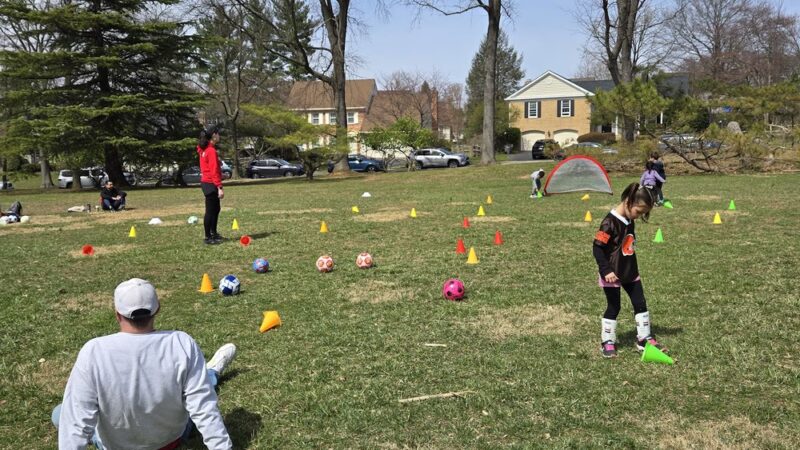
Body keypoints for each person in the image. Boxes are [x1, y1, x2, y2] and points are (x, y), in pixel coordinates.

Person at [52, 278, 236, 449]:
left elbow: (76, 422)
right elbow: (204, 408)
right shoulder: (181, 343)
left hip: (117, 445)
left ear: (117, 314)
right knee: (197, 388)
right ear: (157, 309)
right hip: (170, 440)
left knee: (60, 414)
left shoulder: (93, 351)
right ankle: (211, 371)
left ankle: (210, 371)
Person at [592, 183, 666, 358]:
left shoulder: (629, 219)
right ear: (628, 201)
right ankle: (608, 341)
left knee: (640, 303)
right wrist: (606, 270)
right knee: (614, 307)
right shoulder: (608, 223)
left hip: (630, 272)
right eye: (639, 211)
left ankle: (644, 339)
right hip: (612, 274)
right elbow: (597, 248)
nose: (639, 216)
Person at [198, 125, 224, 244]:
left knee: (216, 209)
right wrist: (219, 187)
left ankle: (214, 233)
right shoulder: (211, 150)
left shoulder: (205, 149)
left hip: (207, 182)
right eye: (218, 134)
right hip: (210, 183)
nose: (219, 136)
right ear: (214, 135)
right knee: (210, 211)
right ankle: (207, 237)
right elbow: (213, 170)